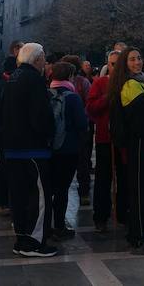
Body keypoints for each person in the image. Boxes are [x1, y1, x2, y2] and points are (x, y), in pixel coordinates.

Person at [1, 42, 58, 257]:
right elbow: (40, 116)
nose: (45, 61)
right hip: (32, 148)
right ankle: (33, 242)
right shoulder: (34, 79)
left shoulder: (13, 78)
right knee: (39, 196)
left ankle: (22, 238)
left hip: (13, 147)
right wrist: (49, 134)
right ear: (37, 59)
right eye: (43, 57)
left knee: (19, 196)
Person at [109, 47, 144, 254]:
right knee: (140, 189)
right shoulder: (131, 85)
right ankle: (138, 234)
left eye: (139, 58)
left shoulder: (138, 82)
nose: (137, 62)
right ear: (125, 63)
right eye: (132, 59)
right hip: (138, 142)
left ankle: (141, 229)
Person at [86, 50, 127, 233]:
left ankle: (123, 213)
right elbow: (91, 108)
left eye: (117, 64)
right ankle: (100, 216)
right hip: (105, 139)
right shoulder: (100, 82)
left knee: (124, 178)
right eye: (111, 64)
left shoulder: (131, 83)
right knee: (103, 180)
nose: (114, 67)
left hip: (126, 139)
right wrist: (107, 97)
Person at [48, 61, 89, 240]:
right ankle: (59, 226)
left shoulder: (45, 94)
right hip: (68, 148)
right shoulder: (72, 97)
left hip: (48, 148)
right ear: (70, 76)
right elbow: (82, 124)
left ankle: (46, 225)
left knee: (49, 188)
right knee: (62, 189)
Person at [0, 41, 23, 216]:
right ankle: (1, 202)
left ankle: (2, 201)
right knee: (4, 166)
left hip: (1, 129)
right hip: (5, 130)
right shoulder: (5, 83)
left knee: (3, 166)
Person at [62, 54, 94, 207]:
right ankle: (82, 191)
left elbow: (89, 103)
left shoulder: (83, 82)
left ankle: (84, 191)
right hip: (70, 128)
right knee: (81, 161)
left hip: (78, 128)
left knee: (82, 162)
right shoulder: (79, 82)